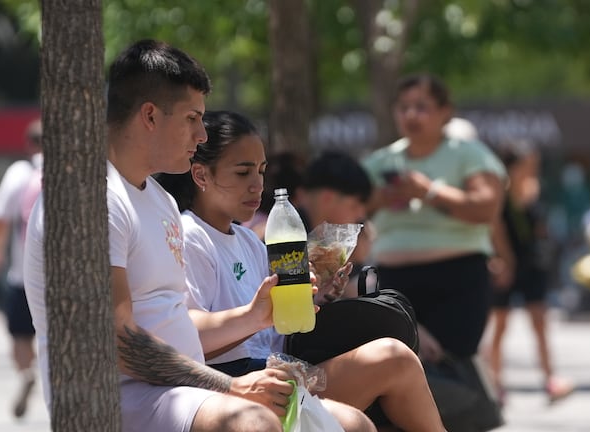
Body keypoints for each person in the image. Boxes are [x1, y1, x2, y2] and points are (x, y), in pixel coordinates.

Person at [23, 39, 374, 432]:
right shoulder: (90, 198)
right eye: (192, 118)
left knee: (355, 424)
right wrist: (231, 385)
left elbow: (175, 320)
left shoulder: (159, 200)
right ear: (151, 116)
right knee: (253, 422)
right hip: (119, 397)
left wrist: (255, 316)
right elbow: (117, 341)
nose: (201, 136)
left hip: (179, 389)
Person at [157, 110, 446, 432]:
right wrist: (257, 315)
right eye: (242, 172)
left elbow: (272, 330)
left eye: (261, 171)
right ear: (201, 176)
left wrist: (313, 299)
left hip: (279, 370)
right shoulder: (189, 236)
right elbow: (185, 338)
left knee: (394, 357)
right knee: (375, 390)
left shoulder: (247, 240)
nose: (256, 185)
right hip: (233, 385)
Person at [361, 74, 506, 363]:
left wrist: (429, 191)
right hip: (391, 279)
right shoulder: (379, 162)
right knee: (391, 366)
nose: (411, 115)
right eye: (403, 107)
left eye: (421, 106)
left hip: (458, 280)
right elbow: (341, 212)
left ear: (445, 111)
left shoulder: (470, 155)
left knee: (448, 364)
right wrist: (382, 198)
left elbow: (486, 208)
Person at [486, 139, 574, 404]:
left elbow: (540, 227)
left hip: (532, 263)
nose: (533, 168)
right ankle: (496, 383)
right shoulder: (500, 192)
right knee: (500, 324)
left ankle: (550, 379)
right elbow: (496, 230)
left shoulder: (535, 189)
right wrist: (505, 261)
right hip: (507, 263)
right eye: (528, 163)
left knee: (539, 321)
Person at [0, 117, 42, 418]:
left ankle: (26, 373)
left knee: (21, 336)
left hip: (23, 273)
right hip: (64, 279)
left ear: (28, 143)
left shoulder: (20, 172)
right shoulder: (73, 169)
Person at [292, 150, 375, 299]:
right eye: (355, 205)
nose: (360, 215)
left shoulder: (329, 243)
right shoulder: (286, 237)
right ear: (328, 198)